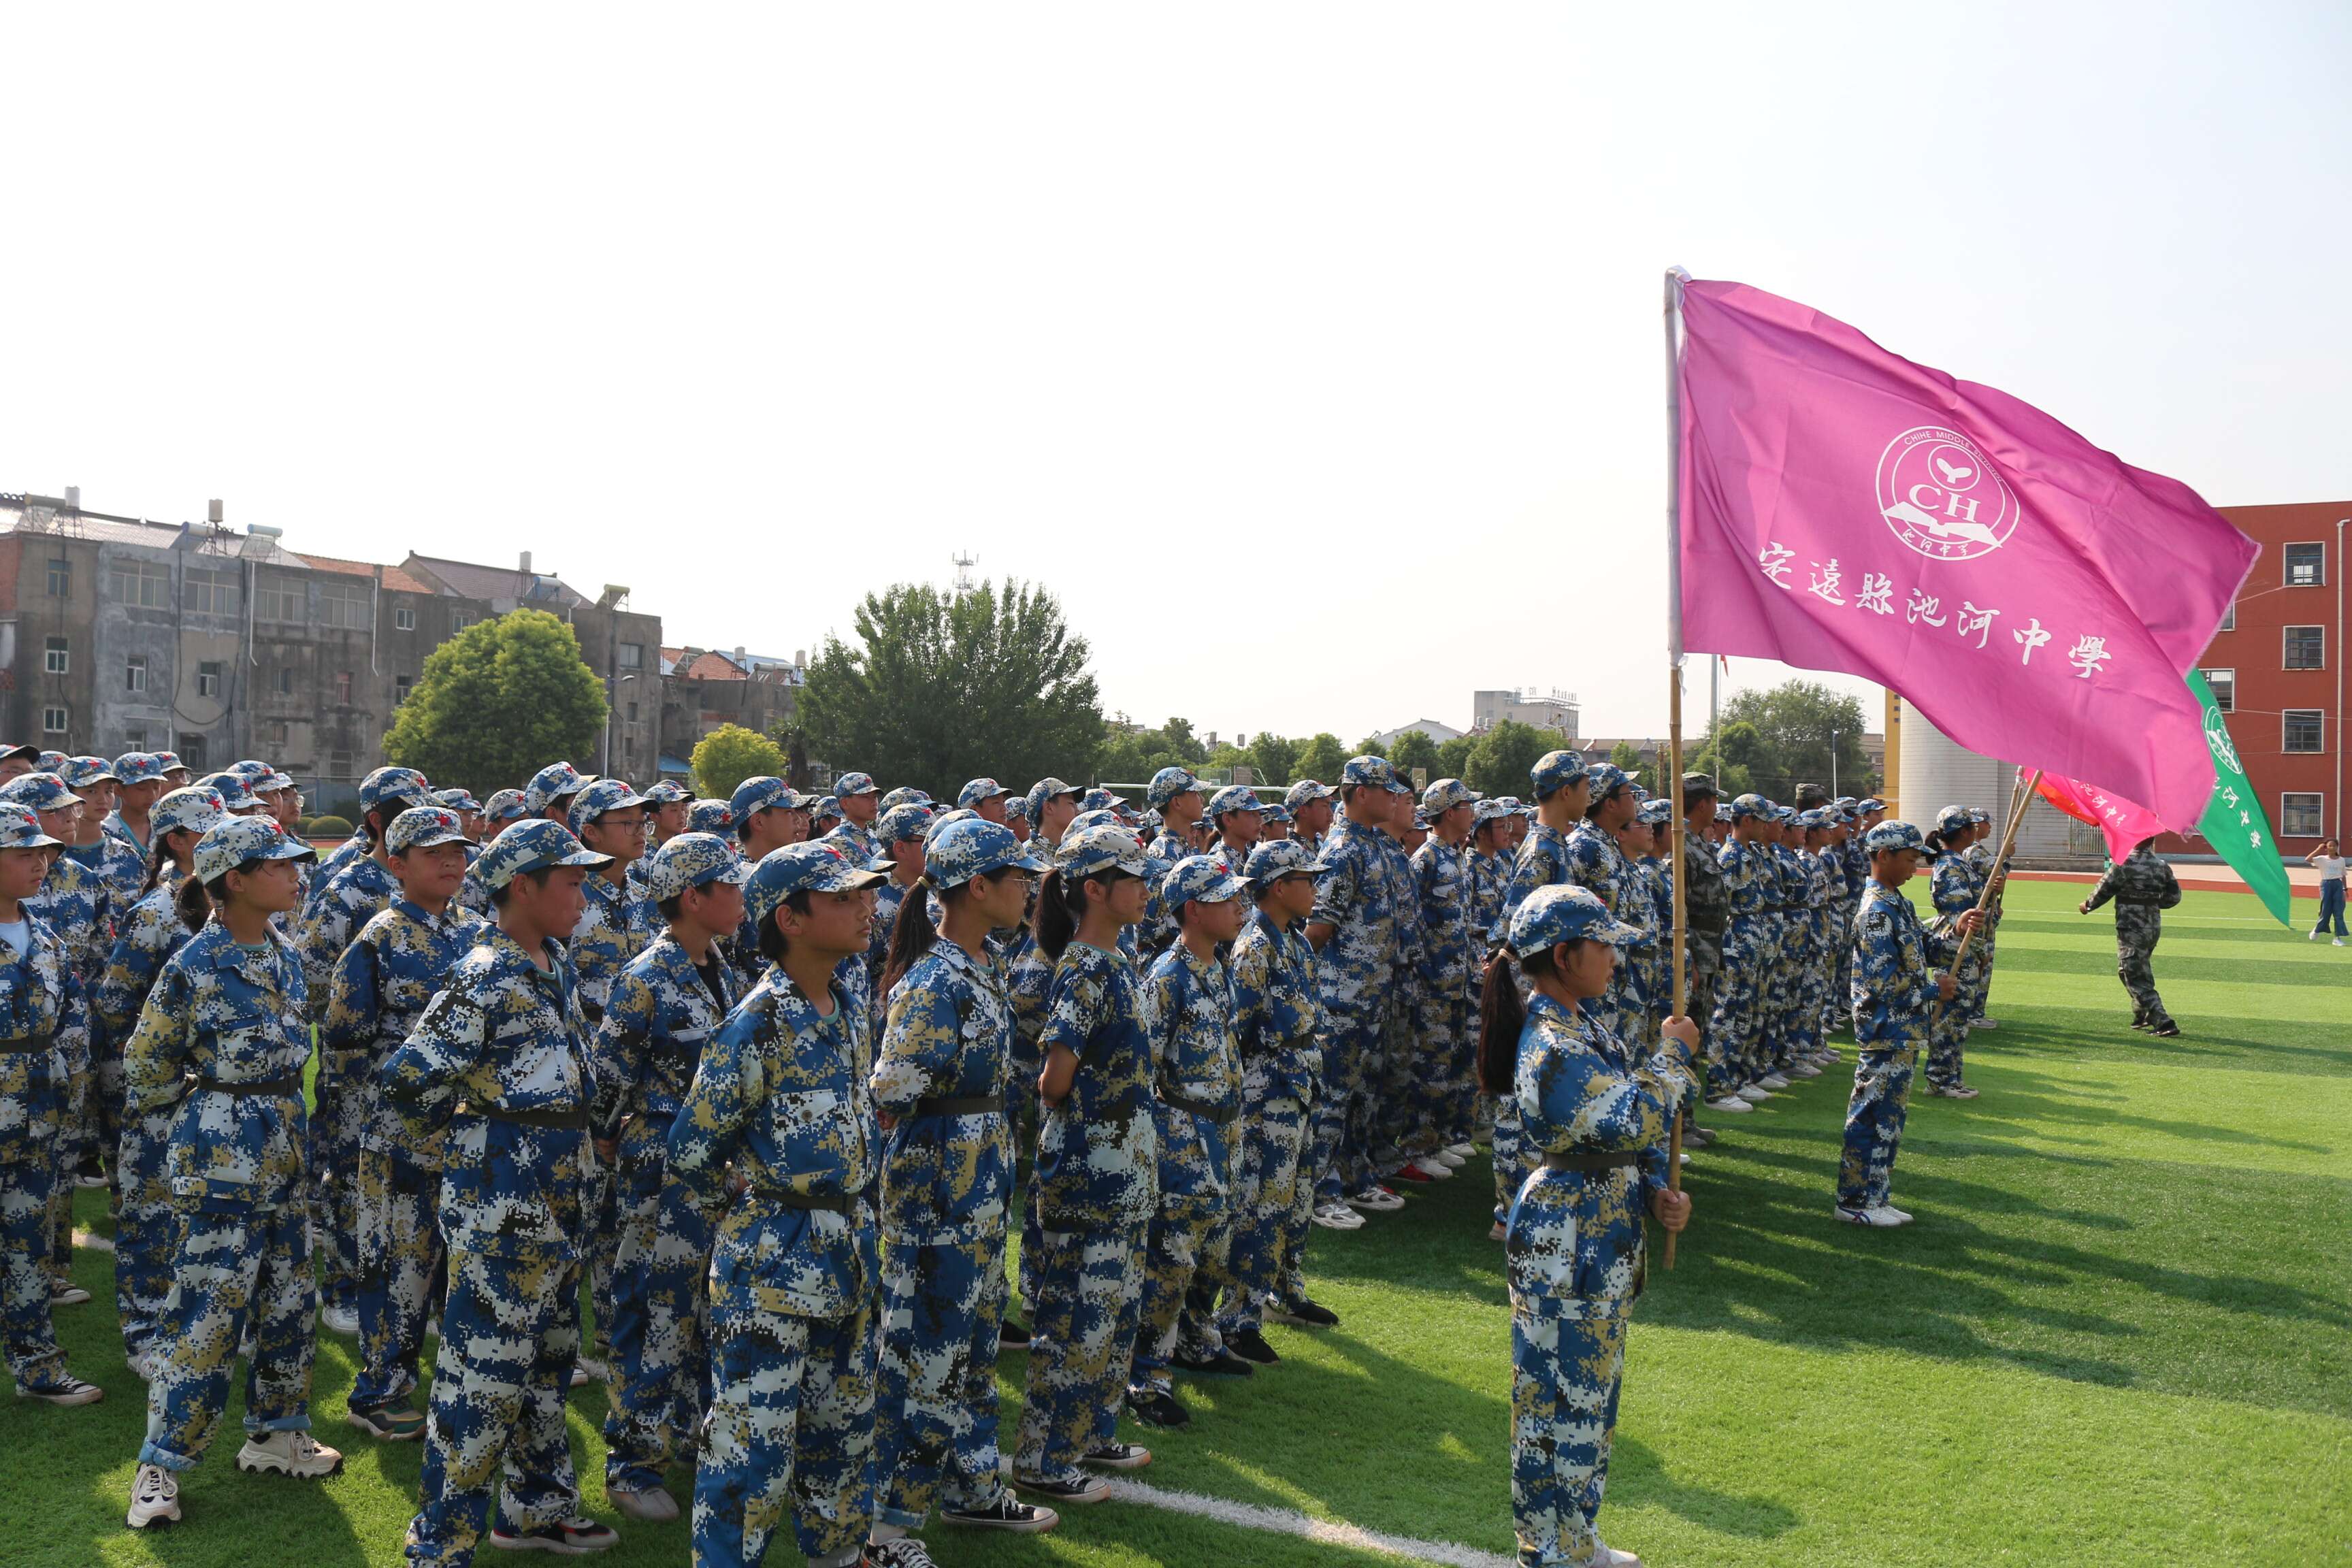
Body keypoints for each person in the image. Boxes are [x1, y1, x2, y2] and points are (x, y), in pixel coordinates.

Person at [382, 819, 619, 1561]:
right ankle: (440, 1542)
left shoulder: (552, 961)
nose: (584, 896)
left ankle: (535, 1510)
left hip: (560, 1206)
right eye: (572, 882)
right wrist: (475, 1154)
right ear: (523, 886)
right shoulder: (484, 975)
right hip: (505, 1213)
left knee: (548, 1366)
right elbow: (409, 1082)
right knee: (479, 1386)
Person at [669, 839, 886, 1568]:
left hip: (847, 1252)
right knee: (750, 1452)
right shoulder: (756, 1023)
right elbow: (692, 1151)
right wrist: (756, 1204)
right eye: (843, 898)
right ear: (789, 920)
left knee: (843, 1437)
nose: (866, 907)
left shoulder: (848, 1006)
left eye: (865, 894)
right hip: (770, 1269)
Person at [123, 815, 338, 1531]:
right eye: (277, 865)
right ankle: (160, 1467)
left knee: (289, 1302)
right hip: (221, 1160)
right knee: (206, 1317)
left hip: (284, 1150)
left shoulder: (283, 954)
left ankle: (277, 1434)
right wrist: (203, 1118)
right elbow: (145, 1066)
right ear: (235, 881)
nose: (294, 874)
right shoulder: (195, 965)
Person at [1482, 884, 1696, 1568]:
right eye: (1602, 945)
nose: (1613, 957)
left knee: (1589, 1399)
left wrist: (1658, 1194)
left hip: (1598, 1232)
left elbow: (1620, 1144)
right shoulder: (1553, 1043)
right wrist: (1673, 1056)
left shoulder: (1584, 1028)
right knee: (1556, 1403)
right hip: (1566, 1241)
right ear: (1564, 955)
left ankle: (1574, 1539)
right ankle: (1548, 1549)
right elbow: (1631, 1119)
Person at [867, 817, 1059, 1550]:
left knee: (974, 1345)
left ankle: (974, 1487)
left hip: (976, 1186)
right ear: (978, 887)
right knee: (923, 1355)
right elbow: (890, 1090)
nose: (1027, 890)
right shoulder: (935, 979)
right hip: (936, 1195)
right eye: (1016, 878)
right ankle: (887, 1530)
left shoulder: (984, 963)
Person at [591, 832, 750, 1524]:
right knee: (656, 1311)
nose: (742, 897)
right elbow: (606, 1084)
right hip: (662, 1168)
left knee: (711, 1311)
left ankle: (690, 1433)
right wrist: (616, 1141)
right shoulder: (647, 978)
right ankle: (632, 1464)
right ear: (693, 897)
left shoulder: (723, 966)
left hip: (720, 1168)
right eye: (730, 885)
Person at [325, 806, 483, 1443]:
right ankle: (379, 1393)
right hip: (401, 1135)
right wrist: (368, 1127)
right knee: (399, 1269)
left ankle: (458, 1387)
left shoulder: (477, 931)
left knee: (462, 1267)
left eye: (457, 851)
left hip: (470, 1133)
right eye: (433, 853)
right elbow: (345, 1041)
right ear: (397, 864)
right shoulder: (379, 939)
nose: (451, 862)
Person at [1013, 822, 1158, 1505]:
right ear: (1094, 890)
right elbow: (1054, 1080)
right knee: (1073, 1320)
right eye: (1133, 880)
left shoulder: (1116, 959)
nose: (1146, 891)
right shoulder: (1082, 967)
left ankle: (1091, 1432)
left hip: (1124, 1168)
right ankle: (1043, 1459)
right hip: (1089, 1169)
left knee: (1113, 1312)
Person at [95, 785, 229, 1375]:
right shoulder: (156, 912)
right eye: (211, 831)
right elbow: (115, 1004)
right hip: (164, 1091)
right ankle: (145, 1334)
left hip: (221, 1093)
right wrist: (159, 1064)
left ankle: (201, 1324)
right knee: (151, 1215)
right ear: (177, 840)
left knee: (211, 1213)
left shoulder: (231, 905)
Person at [295, 764, 432, 1336]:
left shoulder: (443, 890)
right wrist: (353, 1032)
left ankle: (410, 1288)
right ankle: (345, 1288)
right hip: (359, 1065)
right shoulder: (349, 888)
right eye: (406, 812)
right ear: (377, 821)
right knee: (353, 1173)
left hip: (426, 1070)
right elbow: (310, 975)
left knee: (418, 1177)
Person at [1129, 855, 1252, 1430]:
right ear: (1195, 910)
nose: (1240, 908)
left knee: (1215, 1250)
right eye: (1228, 899)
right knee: (1170, 1263)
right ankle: (1146, 1375)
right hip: (1183, 1136)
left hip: (1222, 1132)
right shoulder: (1166, 978)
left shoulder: (1217, 968)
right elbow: (1143, 1070)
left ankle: (1198, 1341)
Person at [0, 800, 104, 1411]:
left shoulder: (46, 938)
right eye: (24, 854)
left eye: (43, 853)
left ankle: (38, 1366)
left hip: (37, 1121)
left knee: (29, 1248)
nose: (40, 864)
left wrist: (69, 1096)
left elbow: (71, 1021)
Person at [1220, 838, 1339, 1349]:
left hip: (1300, 1087)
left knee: (1298, 1197)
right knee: (1262, 1205)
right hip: (1267, 1095)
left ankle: (1287, 1291)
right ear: (1278, 887)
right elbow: (1237, 1031)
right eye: (1306, 880)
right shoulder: (1254, 948)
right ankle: (1239, 1317)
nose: (1315, 890)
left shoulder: (1296, 941)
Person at [1837, 821, 1983, 1226]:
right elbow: (1883, 984)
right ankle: (1854, 1200)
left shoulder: (1896, 902)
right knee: (1871, 1115)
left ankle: (1876, 1195)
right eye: (1909, 859)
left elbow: (1923, 947)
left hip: (1902, 1030)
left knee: (1889, 1119)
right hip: (1885, 1029)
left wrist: (1957, 929)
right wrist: (1934, 991)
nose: (1914, 868)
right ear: (1883, 857)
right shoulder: (1876, 912)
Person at [1303, 758, 1406, 1224]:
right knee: (1333, 1099)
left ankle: (1355, 1177)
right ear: (1361, 793)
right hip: (1342, 999)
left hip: (1373, 997)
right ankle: (1320, 1192)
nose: (1395, 799)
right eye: (1387, 791)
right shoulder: (1343, 850)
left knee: (1364, 1096)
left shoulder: (1375, 844)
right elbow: (1318, 929)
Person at [2078, 838, 2183, 1036]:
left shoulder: (2124, 863)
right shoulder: (2161, 865)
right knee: (2126, 970)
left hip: (2131, 928)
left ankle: (2163, 1021)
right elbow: (2174, 897)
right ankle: (2142, 1013)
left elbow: (2104, 889)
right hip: (2152, 926)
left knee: (2136, 976)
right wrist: (2151, 904)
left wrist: (2088, 905)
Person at [1923, 806, 1987, 1099]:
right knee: (1950, 1017)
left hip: (1962, 946)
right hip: (1954, 947)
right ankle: (1940, 1079)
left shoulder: (1957, 862)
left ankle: (1952, 1078)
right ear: (1963, 832)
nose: (1976, 830)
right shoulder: (1951, 866)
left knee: (1958, 1019)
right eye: (1972, 826)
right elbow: (1958, 915)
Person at [2308, 838, 2347, 943]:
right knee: (2326, 911)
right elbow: (2308, 859)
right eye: (2330, 845)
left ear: (2337, 847)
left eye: (2334, 846)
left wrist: (2345, 889)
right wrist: (2318, 849)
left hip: (2338, 885)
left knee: (2339, 912)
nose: (2332, 848)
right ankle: (2317, 929)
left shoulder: (2341, 860)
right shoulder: (2322, 859)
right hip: (2326, 885)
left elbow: (2343, 875)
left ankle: (2337, 938)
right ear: (2326, 847)